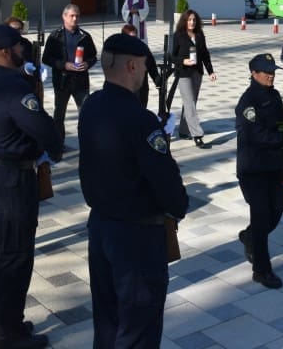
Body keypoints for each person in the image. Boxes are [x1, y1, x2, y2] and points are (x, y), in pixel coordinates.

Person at [78, 33, 188, 348]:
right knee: (139, 328)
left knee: (108, 320)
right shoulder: (141, 120)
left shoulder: (91, 105)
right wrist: (179, 205)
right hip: (136, 238)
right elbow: (167, 184)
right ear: (131, 66)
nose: (144, 73)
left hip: (101, 226)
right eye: (143, 66)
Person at [0, 24, 62, 349]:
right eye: (20, 47)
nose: (24, 51)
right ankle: (7, 334)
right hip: (12, 179)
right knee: (16, 254)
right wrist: (54, 147)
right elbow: (44, 129)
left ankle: (0, 316)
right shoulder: (13, 85)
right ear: (7, 51)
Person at [235, 53, 283, 289]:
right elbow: (257, 136)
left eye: (273, 71)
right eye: (266, 72)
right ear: (253, 74)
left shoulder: (273, 95)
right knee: (261, 216)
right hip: (254, 168)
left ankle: (250, 236)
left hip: (274, 165)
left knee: (278, 208)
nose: (271, 75)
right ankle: (262, 270)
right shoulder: (248, 102)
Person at [42, 4, 98, 143]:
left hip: (80, 81)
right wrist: (64, 65)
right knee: (59, 114)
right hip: (62, 81)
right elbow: (46, 58)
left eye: (77, 16)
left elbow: (93, 56)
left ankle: (86, 142)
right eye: (72, 16)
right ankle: (58, 143)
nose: (75, 19)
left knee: (85, 113)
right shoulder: (55, 36)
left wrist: (87, 64)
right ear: (64, 16)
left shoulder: (85, 36)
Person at [171, 9, 217, 148]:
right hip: (183, 73)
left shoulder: (199, 34)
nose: (192, 22)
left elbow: (205, 54)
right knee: (190, 102)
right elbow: (171, 56)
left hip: (197, 73)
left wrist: (210, 71)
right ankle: (197, 135)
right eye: (189, 20)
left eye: (194, 20)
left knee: (190, 102)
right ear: (184, 21)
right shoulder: (178, 35)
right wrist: (183, 61)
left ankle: (184, 130)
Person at [121, 23, 161, 109]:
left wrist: (157, 80)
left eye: (135, 37)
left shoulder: (143, 48)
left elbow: (152, 66)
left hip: (142, 90)